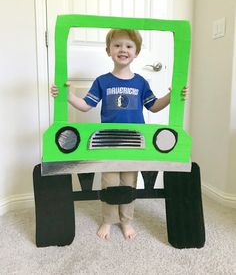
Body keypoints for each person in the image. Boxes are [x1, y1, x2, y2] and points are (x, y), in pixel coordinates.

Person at [51, 29, 188, 240]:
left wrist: (172, 95)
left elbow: (154, 106)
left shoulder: (141, 82)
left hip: (134, 143)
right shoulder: (102, 81)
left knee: (128, 183)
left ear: (136, 52)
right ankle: (108, 219)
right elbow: (86, 106)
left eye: (129, 46)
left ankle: (126, 221)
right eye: (117, 45)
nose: (123, 49)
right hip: (109, 142)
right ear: (108, 51)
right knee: (110, 182)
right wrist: (67, 96)